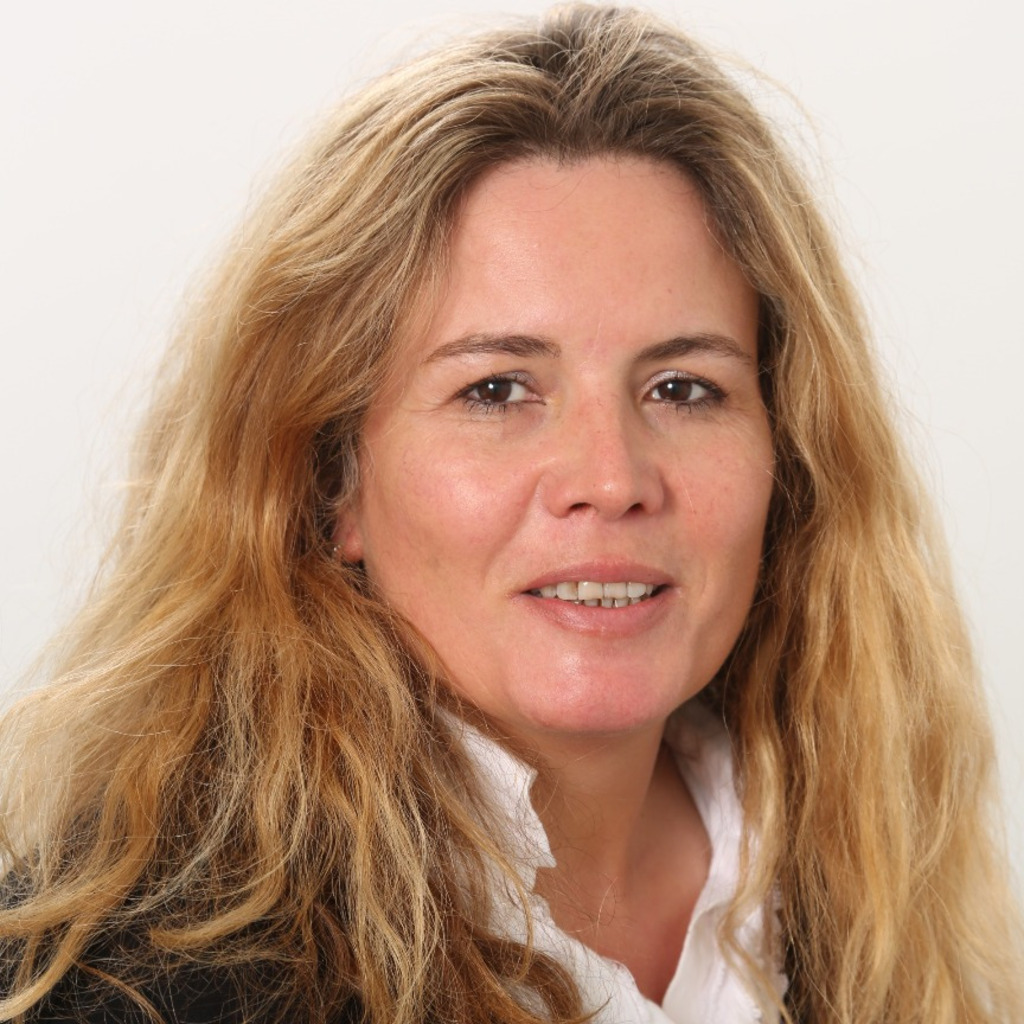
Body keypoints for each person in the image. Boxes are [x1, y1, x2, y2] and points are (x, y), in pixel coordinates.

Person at [1, 5, 1021, 1023]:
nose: (611, 478)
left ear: (787, 457)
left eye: (682, 388)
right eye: (496, 390)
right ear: (330, 481)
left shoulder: (874, 892)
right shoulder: (121, 985)